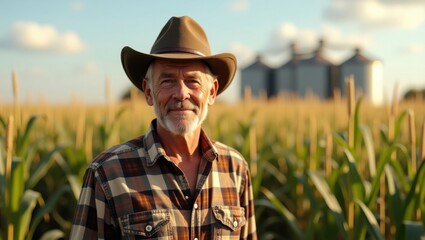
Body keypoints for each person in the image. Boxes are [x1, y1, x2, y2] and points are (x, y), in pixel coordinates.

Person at [70, 16, 257, 239]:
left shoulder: (235, 169)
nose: (181, 93)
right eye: (167, 81)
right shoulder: (108, 173)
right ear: (149, 92)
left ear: (212, 92)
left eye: (193, 81)